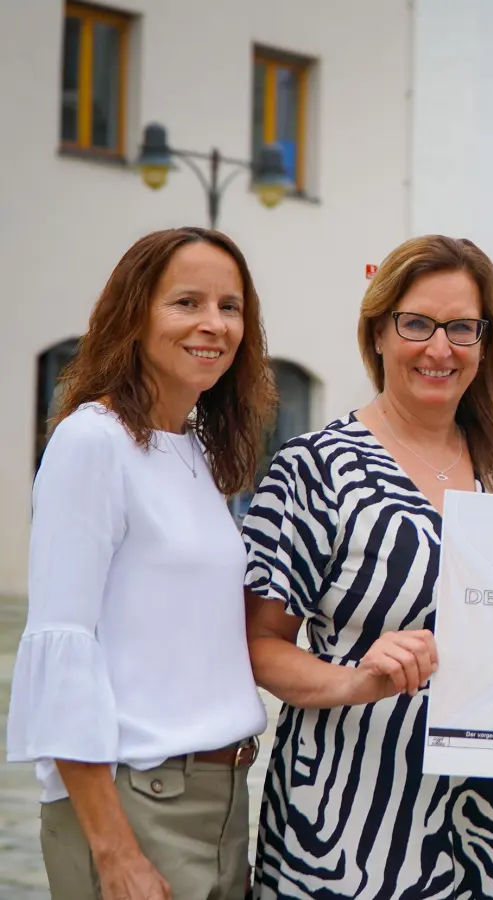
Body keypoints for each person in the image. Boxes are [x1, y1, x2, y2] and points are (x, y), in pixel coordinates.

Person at [241, 235, 493, 899]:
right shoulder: (314, 469)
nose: (440, 348)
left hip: (492, 831)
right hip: (349, 828)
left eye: (462, 328)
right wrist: (354, 680)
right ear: (378, 332)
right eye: (417, 324)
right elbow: (258, 646)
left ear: (485, 343)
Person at [8, 227, 276, 898]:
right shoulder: (91, 443)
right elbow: (62, 647)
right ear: (134, 315)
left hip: (219, 797)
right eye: (186, 302)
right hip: (135, 801)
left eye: (230, 306)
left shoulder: (193, 451)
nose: (214, 324)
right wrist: (114, 851)